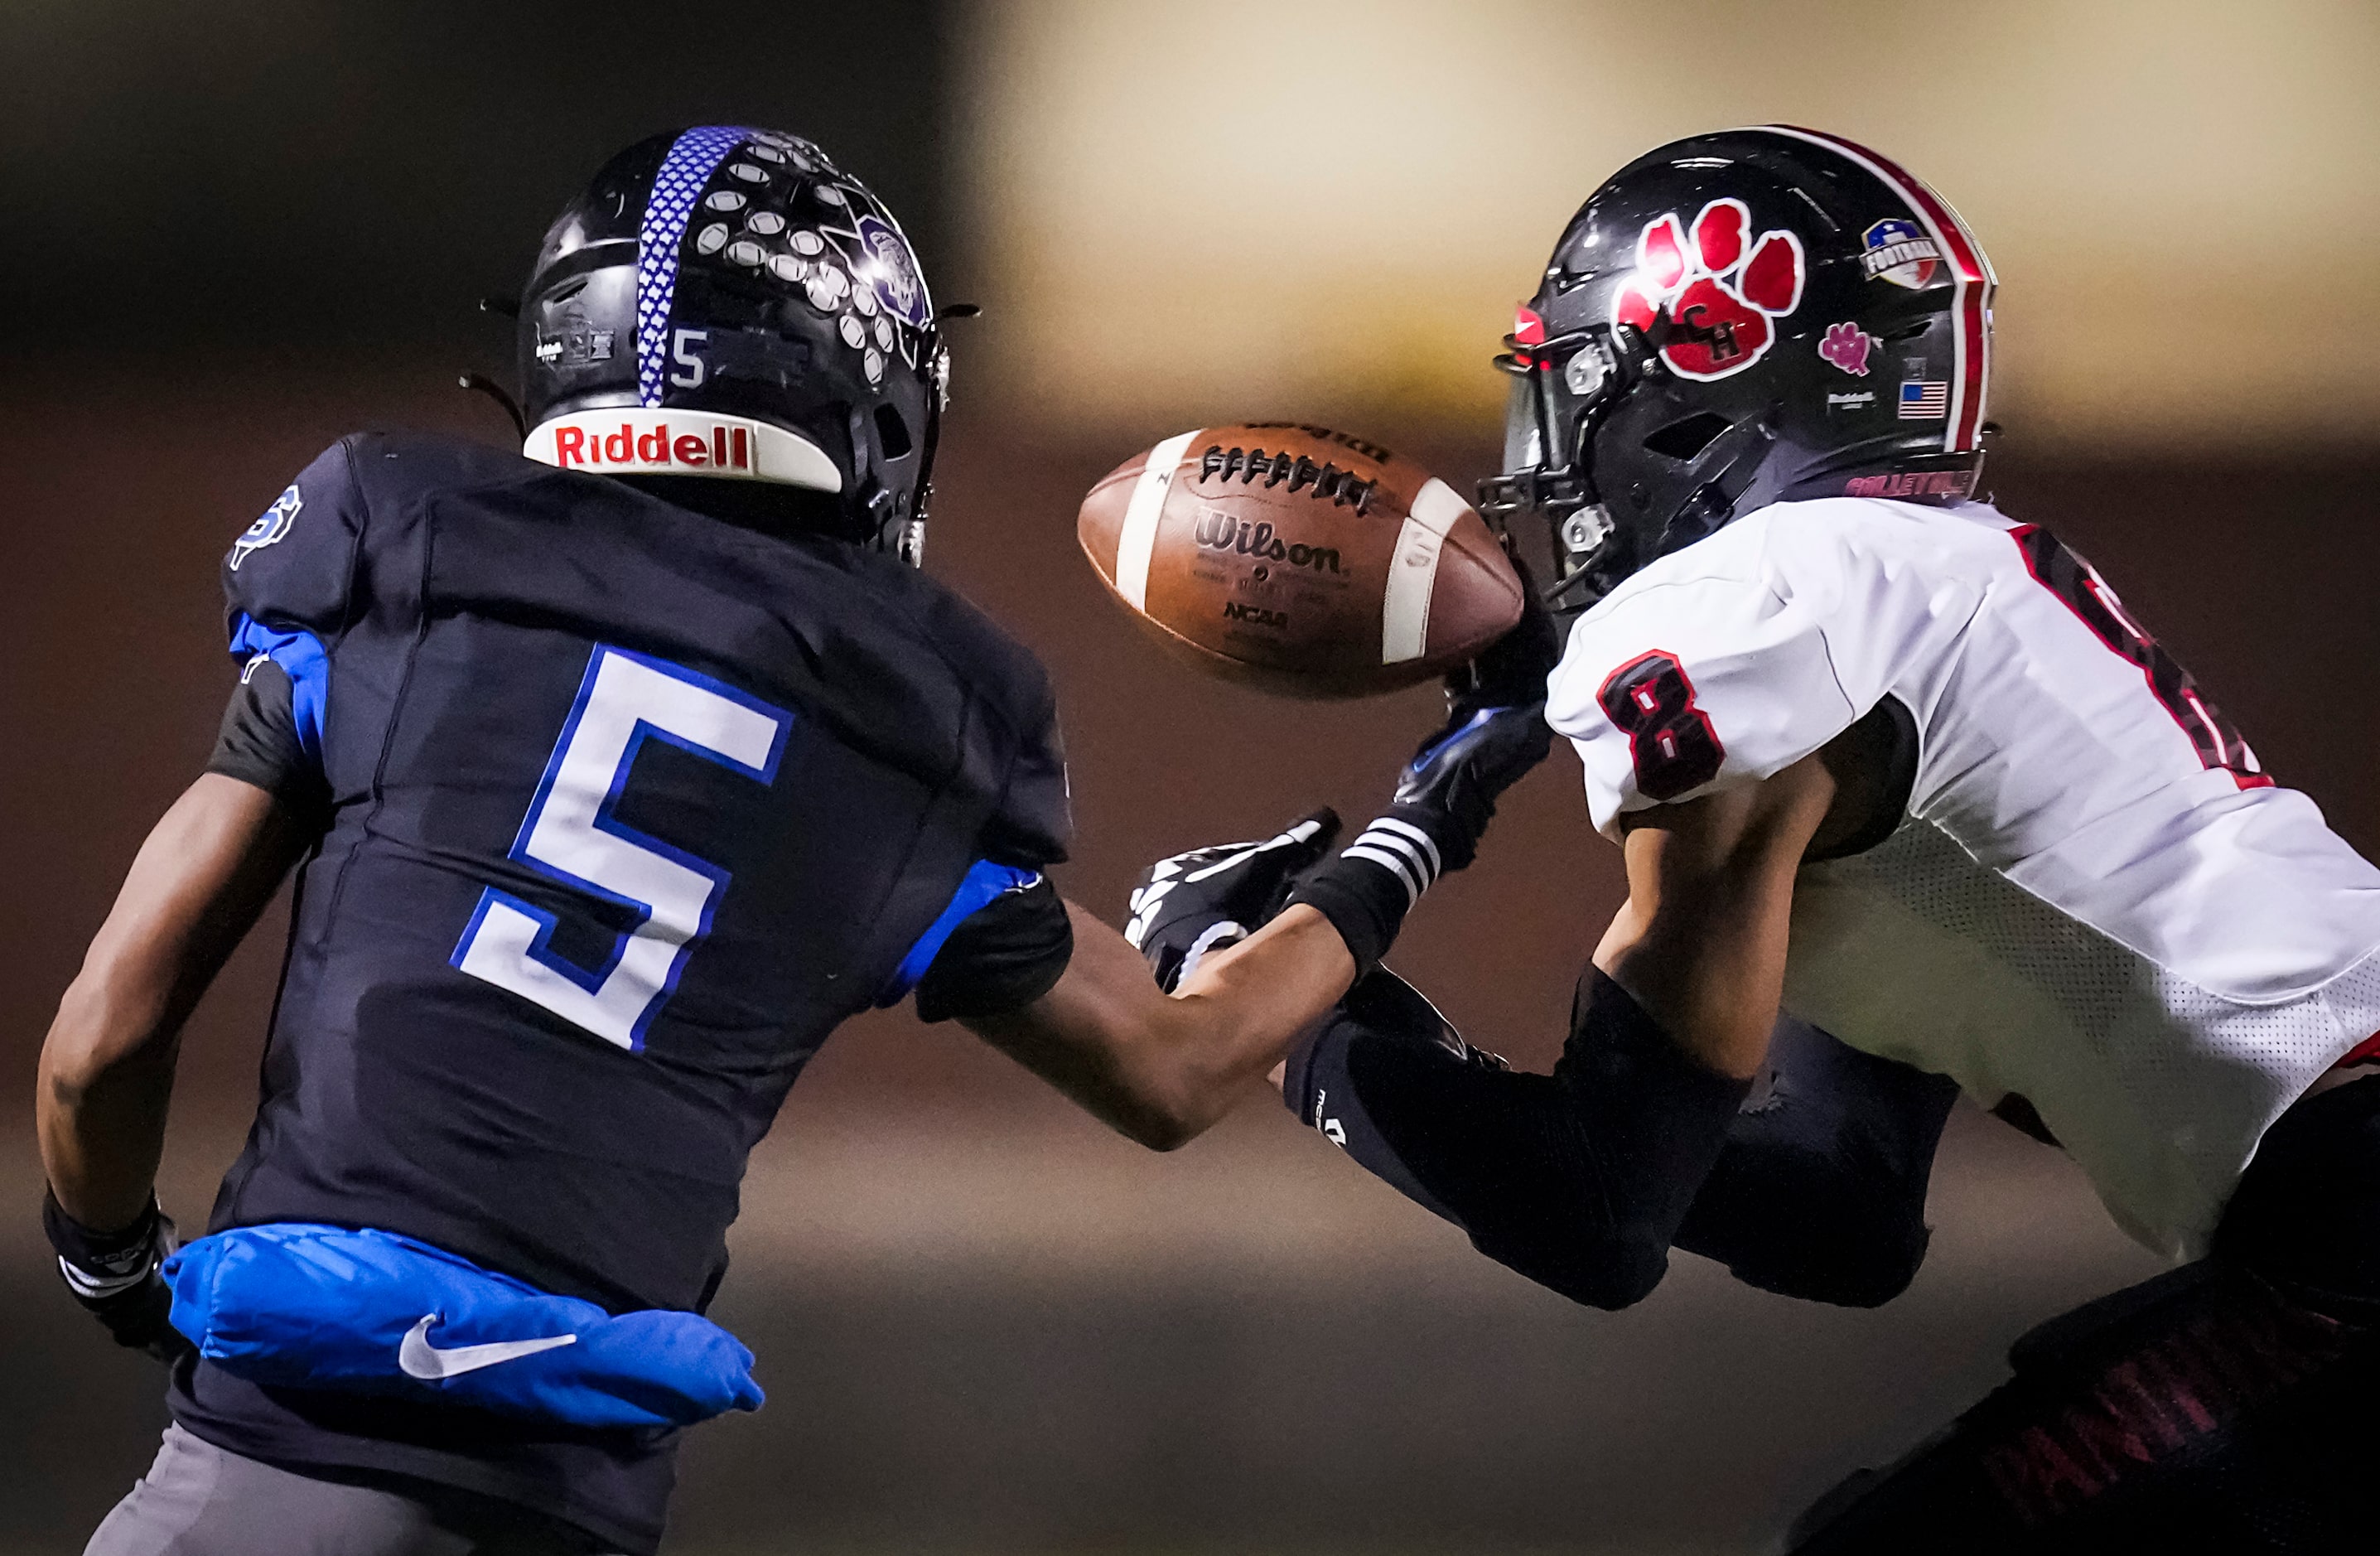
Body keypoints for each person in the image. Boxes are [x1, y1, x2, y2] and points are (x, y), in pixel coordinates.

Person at [35, 125, 1547, 1556]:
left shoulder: (397, 536)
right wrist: (1435, 801)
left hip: (265, 1462)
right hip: (556, 1503)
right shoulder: (915, 711)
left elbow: (107, 1032)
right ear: (867, 403)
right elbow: (1175, 1068)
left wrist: (109, 1261)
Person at [1135, 127, 2380, 1553]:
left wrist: (1278, 1013)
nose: (1544, 452)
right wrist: (1393, 1035)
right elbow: (1836, 1207)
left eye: (1570, 387)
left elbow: (1598, 1214)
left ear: (1687, 382)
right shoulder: (1907, 595)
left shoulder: (1752, 605)